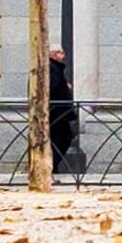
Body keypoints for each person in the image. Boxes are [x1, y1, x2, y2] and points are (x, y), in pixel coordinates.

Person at [49, 45, 81, 176]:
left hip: (59, 113)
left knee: (62, 139)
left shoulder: (55, 68)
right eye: (60, 52)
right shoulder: (52, 68)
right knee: (60, 139)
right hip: (57, 113)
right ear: (54, 54)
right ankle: (51, 166)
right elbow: (52, 87)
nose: (63, 55)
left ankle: (52, 166)